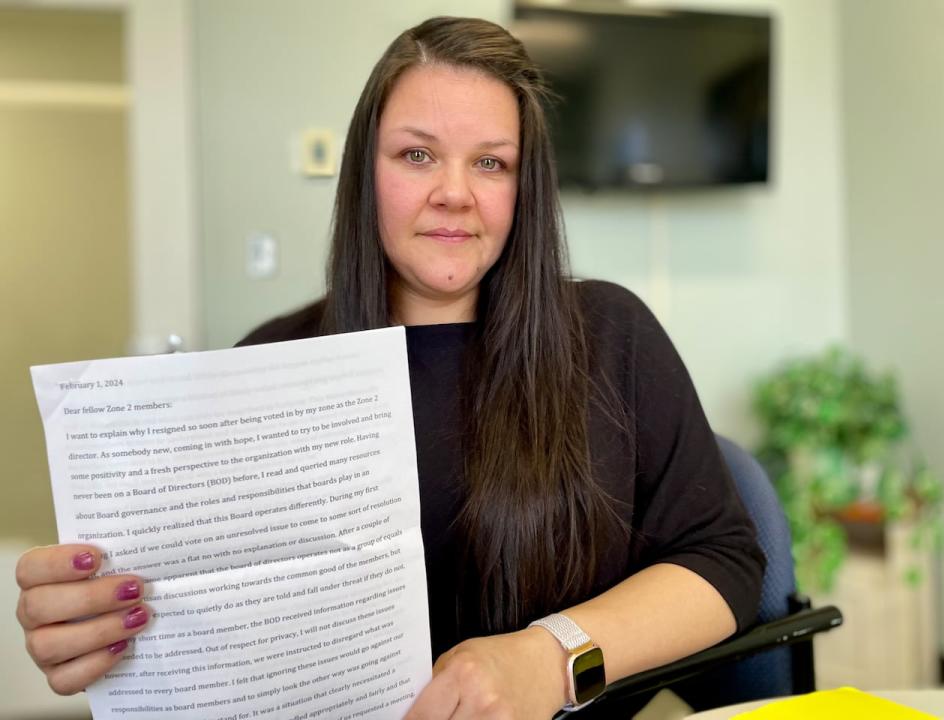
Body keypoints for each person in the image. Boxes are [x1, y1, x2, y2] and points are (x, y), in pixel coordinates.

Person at [15, 16, 764, 719]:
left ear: (523, 188)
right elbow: (202, 600)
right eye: (417, 154)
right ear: (364, 173)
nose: (454, 192)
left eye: (492, 163)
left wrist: (551, 656)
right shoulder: (269, 363)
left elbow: (722, 559)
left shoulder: (610, 334)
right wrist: (101, 622)